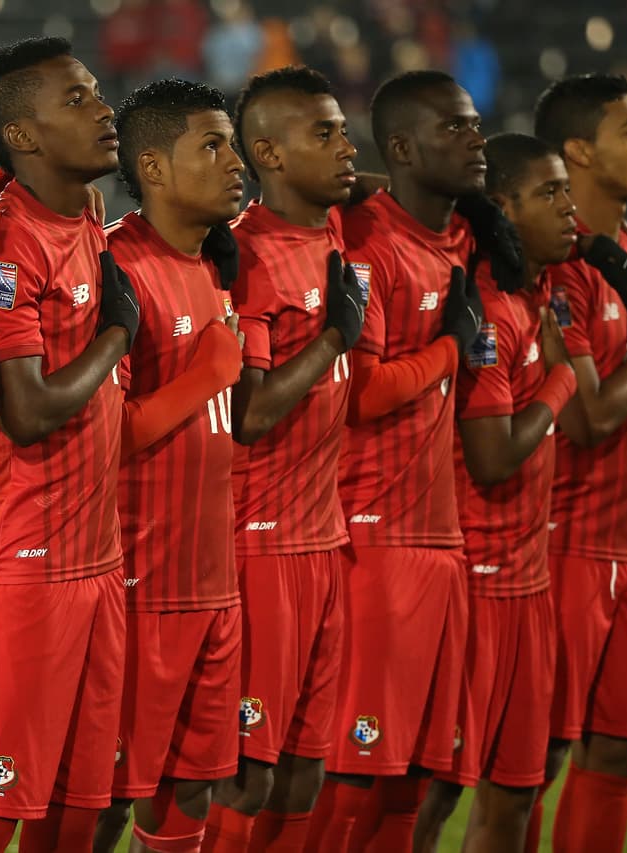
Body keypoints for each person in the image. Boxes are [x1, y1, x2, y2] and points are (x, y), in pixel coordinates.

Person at [0, 36, 138, 853]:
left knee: (81, 806)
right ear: (22, 135)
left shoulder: (83, 208)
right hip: (23, 561)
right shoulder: (1, 242)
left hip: (97, 558)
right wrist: (116, 336)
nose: (103, 109)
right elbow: (25, 410)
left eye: (96, 92)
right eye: (77, 99)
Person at [305, 70, 494, 853]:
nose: (475, 138)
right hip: (374, 540)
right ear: (406, 148)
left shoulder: (461, 236)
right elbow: (365, 391)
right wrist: (452, 346)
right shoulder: (369, 245)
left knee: (414, 779)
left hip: (441, 539)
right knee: (350, 776)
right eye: (455, 127)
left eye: (475, 123)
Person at [201, 66, 366, 853]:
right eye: (325, 134)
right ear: (267, 152)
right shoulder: (250, 253)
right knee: (246, 774)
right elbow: (251, 414)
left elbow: (369, 186)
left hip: (324, 539)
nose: (347, 148)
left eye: (345, 131)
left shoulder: (328, 230)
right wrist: (333, 339)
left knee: (306, 769)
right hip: (260, 544)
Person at [91, 78, 246, 853]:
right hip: (139, 586)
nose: (234, 162)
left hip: (214, 581)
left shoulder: (214, 266)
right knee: (107, 797)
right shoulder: (116, 264)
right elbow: (104, 435)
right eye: (211, 146)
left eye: (233, 144)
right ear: (152, 166)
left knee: (191, 787)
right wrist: (208, 373)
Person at [417, 132, 580, 853]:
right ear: (505, 207)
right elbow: (492, 459)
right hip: (477, 585)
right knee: (434, 791)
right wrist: (563, 379)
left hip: (528, 582)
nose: (568, 207)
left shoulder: (536, 292)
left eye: (567, 190)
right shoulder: (488, 308)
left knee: (517, 786)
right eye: (549, 193)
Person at [532, 73, 627, 853]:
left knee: (618, 751)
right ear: (579, 151)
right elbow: (585, 419)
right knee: (535, 759)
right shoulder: (560, 267)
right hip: (566, 547)